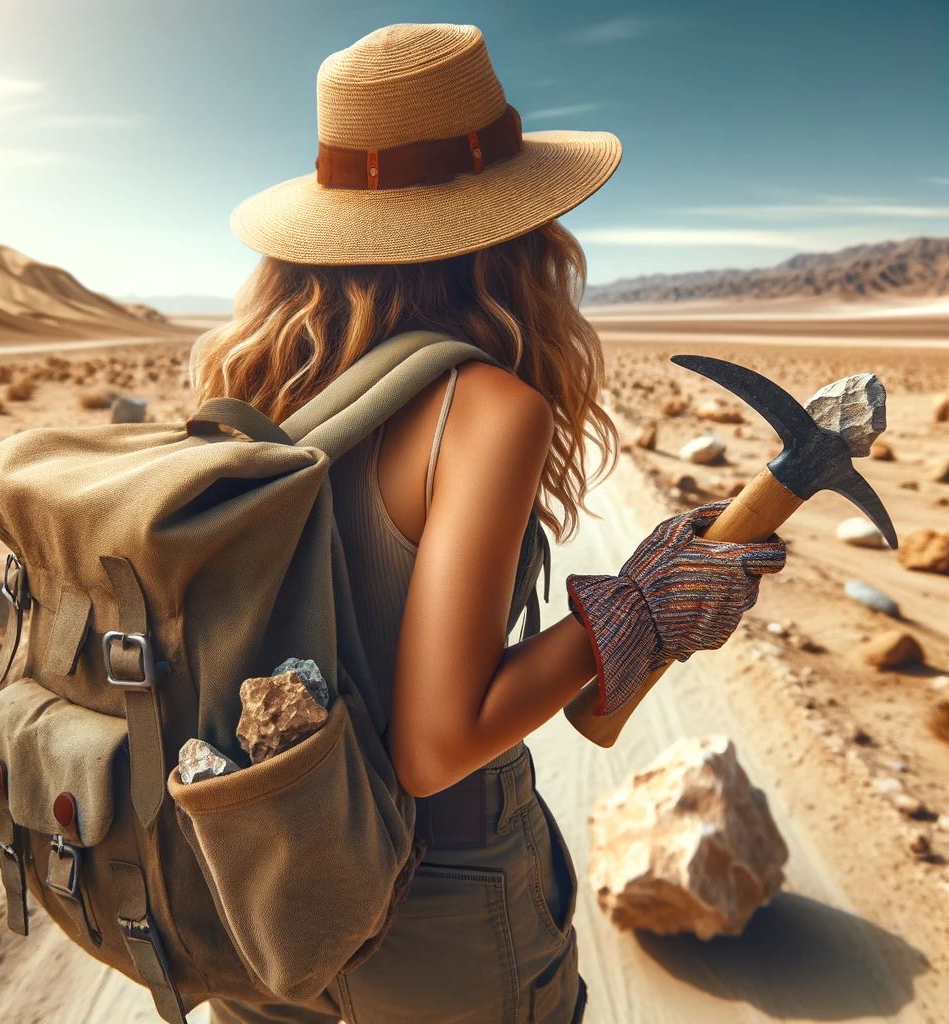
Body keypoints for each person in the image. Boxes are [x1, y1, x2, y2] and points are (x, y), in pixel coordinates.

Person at [190, 22, 786, 1024]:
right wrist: (640, 604)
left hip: (251, 894)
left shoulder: (240, 381)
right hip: (427, 905)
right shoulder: (485, 409)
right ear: (517, 227)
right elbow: (434, 744)